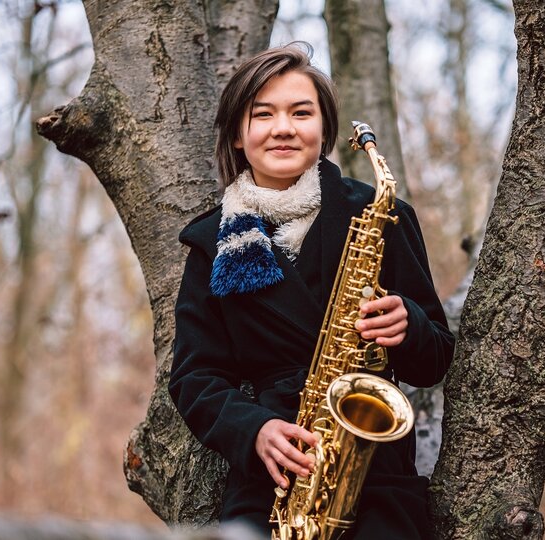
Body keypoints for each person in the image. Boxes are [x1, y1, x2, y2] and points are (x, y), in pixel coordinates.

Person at [168, 42, 454, 539]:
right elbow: (195, 376)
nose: (283, 128)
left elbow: (435, 360)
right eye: (263, 115)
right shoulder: (211, 242)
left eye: (302, 112)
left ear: (324, 130)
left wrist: (408, 323)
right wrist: (253, 429)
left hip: (380, 476)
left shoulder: (379, 215)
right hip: (272, 483)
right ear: (239, 133)